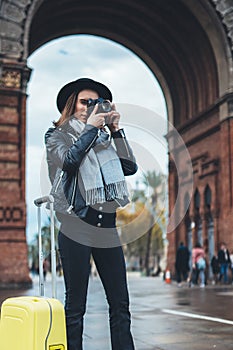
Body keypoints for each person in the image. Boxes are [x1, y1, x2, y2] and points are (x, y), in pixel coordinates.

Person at [45, 78, 137, 350]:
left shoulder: (105, 139)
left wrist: (116, 130)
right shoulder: (56, 136)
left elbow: (129, 167)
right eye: (86, 102)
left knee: (120, 304)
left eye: (97, 103)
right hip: (76, 226)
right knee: (75, 308)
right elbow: (69, 162)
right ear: (72, 105)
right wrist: (89, 130)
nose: (91, 107)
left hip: (106, 227)